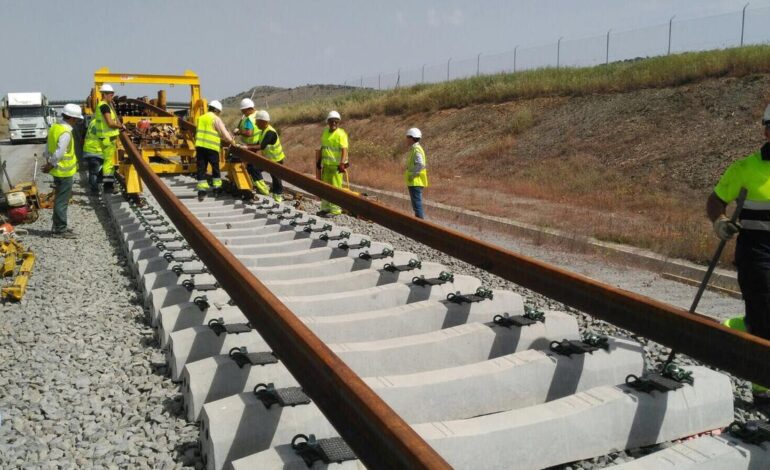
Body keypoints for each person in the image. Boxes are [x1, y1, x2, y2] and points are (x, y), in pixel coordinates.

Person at [708, 103, 770, 405]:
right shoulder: (745, 169)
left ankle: (741, 325)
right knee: (766, 311)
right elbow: (715, 201)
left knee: (763, 316)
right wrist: (720, 222)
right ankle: (762, 388)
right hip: (757, 252)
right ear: (767, 130)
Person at [42, 104, 83, 238]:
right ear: (71, 117)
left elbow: (48, 147)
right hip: (64, 172)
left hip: (58, 171)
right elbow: (59, 153)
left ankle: (57, 226)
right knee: (62, 201)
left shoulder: (55, 127)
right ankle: (60, 229)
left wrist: (48, 161)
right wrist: (51, 164)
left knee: (59, 199)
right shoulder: (66, 132)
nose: (76, 121)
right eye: (76, 119)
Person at [194, 100, 237, 201]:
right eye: (219, 112)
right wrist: (232, 141)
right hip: (211, 147)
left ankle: (201, 191)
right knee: (215, 168)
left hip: (200, 146)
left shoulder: (200, 118)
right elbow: (224, 133)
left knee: (201, 168)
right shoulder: (215, 119)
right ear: (216, 110)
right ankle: (217, 188)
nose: (219, 114)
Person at [233, 98, 270, 196]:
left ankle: (262, 188)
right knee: (253, 165)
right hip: (257, 143)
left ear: (248, 109)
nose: (243, 113)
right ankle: (253, 184)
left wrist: (238, 132)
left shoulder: (249, 119)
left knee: (251, 167)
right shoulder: (256, 115)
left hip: (251, 146)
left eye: (243, 111)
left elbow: (249, 133)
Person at [92, 84, 125, 193]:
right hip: (108, 138)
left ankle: (102, 181)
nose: (112, 96)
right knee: (108, 163)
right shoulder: (104, 106)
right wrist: (121, 126)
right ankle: (108, 186)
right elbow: (110, 123)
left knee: (108, 162)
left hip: (106, 138)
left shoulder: (104, 105)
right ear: (105, 94)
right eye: (111, 94)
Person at [316, 110, 349, 217]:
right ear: (328, 122)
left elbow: (344, 150)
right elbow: (323, 147)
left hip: (336, 167)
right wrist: (319, 160)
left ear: (338, 122)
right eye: (331, 121)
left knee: (335, 188)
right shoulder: (325, 132)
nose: (334, 123)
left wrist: (342, 163)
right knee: (325, 188)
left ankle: (335, 210)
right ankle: (325, 208)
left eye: (336, 121)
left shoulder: (341, 134)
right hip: (326, 165)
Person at [249, 110, 286, 202]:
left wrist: (246, 147)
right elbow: (258, 144)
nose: (255, 123)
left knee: (276, 178)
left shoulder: (270, 132)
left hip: (276, 159)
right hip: (267, 159)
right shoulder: (263, 131)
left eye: (257, 121)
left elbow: (262, 146)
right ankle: (264, 189)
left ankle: (278, 196)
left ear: (263, 121)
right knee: (252, 167)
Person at [404, 127, 428, 218]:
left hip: (416, 181)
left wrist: (413, 175)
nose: (406, 139)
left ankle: (420, 224)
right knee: (416, 204)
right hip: (414, 181)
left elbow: (420, 165)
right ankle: (418, 222)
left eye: (407, 137)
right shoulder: (414, 149)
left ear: (411, 138)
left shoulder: (417, 149)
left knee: (417, 205)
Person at [82, 117, 104, 194]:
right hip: (96, 151)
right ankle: (95, 190)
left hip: (89, 150)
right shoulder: (101, 124)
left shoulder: (93, 121)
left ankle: (96, 186)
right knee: (94, 172)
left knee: (92, 171)